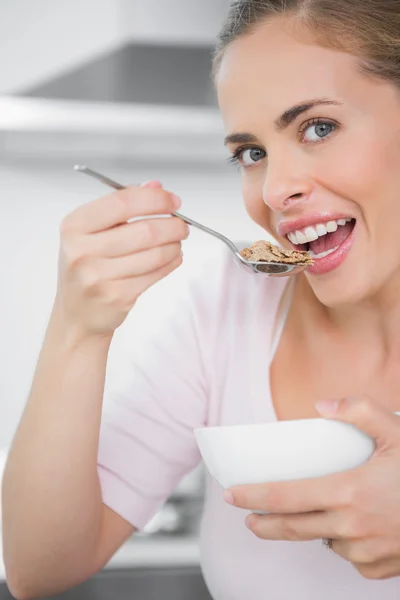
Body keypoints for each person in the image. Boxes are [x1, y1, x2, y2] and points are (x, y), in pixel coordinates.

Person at [3, 0, 400, 598]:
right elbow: (39, 567)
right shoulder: (225, 304)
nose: (274, 188)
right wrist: (79, 327)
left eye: (319, 127)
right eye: (252, 153)